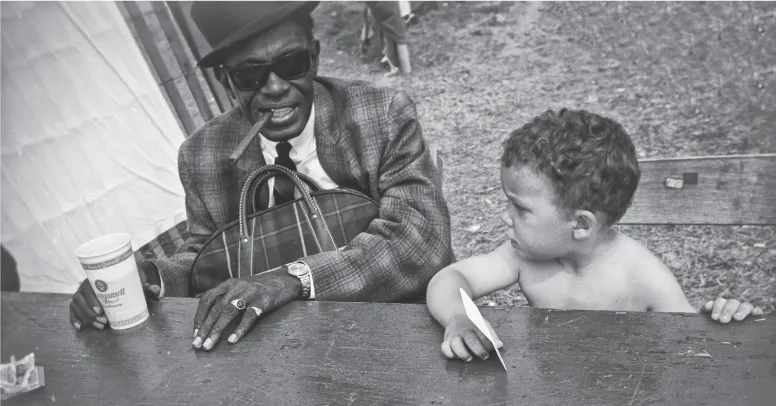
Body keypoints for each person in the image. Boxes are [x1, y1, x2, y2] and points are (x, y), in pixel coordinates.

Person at [69, 1, 452, 350]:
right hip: (280, 351)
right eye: (251, 76)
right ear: (226, 81)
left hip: (399, 329)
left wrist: (292, 280)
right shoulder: (203, 153)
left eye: (291, 65)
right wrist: (150, 277)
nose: (274, 87)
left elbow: (419, 238)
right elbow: (205, 257)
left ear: (314, 58)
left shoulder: (380, 115)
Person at [426, 109, 763, 363]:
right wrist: (458, 316)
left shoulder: (643, 278)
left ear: (582, 225)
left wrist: (725, 317)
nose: (504, 216)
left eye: (520, 208)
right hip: (550, 398)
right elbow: (450, 277)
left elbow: (695, 346)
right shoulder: (523, 255)